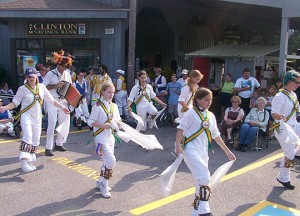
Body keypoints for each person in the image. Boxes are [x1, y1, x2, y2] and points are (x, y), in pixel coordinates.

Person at [175, 87, 236, 216]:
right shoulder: (190, 113)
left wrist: (227, 151)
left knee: (199, 182)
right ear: (198, 100)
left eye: (211, 100)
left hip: (203, 152)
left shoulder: (211, 115)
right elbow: (181, 130)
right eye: (206, 99)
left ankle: (195, 212)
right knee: (205, 176)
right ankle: (204, 210)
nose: (209, 102)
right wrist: (177, 146)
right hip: (190, 150)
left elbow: (216, 135)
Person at [0, 68, 69, 172]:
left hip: (37, 117)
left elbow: (51, 100)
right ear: (26, 77)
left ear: (36, 76)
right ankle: (24, 162)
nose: (31, 78)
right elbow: (15, 103)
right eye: (28, 76)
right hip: (26, 115)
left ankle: (29, 162)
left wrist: (62, 107)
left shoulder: (41, 87)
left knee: (36, 140)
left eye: (32, 76)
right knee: (28, 136)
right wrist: (4, 108)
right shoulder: (22, 89)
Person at [87, 82, 121, 198]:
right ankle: (104, 185)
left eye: (113, 92)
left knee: (106, 161)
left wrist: (118, 124)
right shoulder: (97, 106)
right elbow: (90, 121)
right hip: (100, 138)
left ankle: (100, 181)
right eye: (109, 92)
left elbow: (117, 119)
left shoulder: (114, 106)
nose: (111, 94)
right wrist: (103, 125)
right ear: (102, 92)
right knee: (111, 161)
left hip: (110, 137)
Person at [271, 70, 300, 190]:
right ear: (288, 81)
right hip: (282, 127)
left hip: (293, 125)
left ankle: (283, 175)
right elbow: (274, 113)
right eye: (296, 82)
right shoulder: (280, 96)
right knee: (290, 154)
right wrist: (280, 116)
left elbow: (296, 110)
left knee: (291, 153)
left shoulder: (293, 94)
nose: (298, 84)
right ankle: (284, 177)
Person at [42, 50, 74, 156]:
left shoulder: (67, 74)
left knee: (65, 122)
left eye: (65, 66)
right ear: (58, 64)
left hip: (63, 101)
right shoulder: (50, 74)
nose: (63, 68)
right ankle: (48, 147)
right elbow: (42, 88)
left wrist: (74, 99)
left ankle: (59, 143)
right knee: (52, 123)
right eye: (62, 66)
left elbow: (70, 88)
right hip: (52, 100)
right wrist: (55, 85)